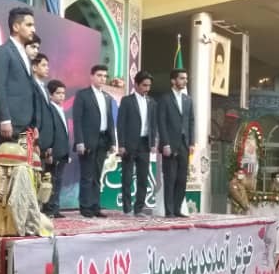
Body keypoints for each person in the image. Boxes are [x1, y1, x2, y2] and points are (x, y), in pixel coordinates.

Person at [72, 64, 117, 218]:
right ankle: (85, 207)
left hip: (103, 140)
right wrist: (80, 141)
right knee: (87, 175)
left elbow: (110, 121)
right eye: (99, 75)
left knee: (97, 175)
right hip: (87, 141)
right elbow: (77, 120)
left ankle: (95, 206)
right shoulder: (83, 95)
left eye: (105, 76)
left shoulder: (107, 97)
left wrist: (113, 142)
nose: (102, 79)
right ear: (91, 76)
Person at [0, 7, 39, 140]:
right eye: (29, 25)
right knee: (9, 154)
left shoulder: (25, 54)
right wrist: (5, 119)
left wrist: (34, 124)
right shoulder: (3, 51)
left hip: (26, 127)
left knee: (25, 154)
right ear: (16, 27)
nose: (33, 29)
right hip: (10, 125)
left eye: (33, 25)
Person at [116, 70, 157, 216]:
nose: (147, 88)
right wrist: (121, 145)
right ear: (136, 85)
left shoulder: (152, 102)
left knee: (143, 177)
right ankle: (127, 208)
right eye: (144, 85)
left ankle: (139, 208)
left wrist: (153, 142)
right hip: (129, 144)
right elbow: (121, 124)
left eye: (149, 86)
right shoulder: (127, 101)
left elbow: (153, 124)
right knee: (127, 177)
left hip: (145, 144)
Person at [157, 68, 195, 218]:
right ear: (173, 81)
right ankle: (169, 211)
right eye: (182, 78)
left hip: (184, 144)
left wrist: (192, 142)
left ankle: (178, 209)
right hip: (170, 145)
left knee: (182, 179)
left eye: (186, 78)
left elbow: (191, 121)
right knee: (170, 178)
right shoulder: (165, 98)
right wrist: (165, 143)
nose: (185, 81)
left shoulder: (188, 100)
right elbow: (161, 122)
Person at [43, 79, 70, 218]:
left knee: (58, 180)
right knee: (50, 180)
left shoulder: (61, 109)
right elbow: (49, 131)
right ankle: (48, 208)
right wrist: (49, 150)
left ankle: (55, 207)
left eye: (63, 93)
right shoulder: (50, 109)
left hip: (63, 151)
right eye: (58, 93)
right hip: (54, 151)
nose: (62, 96)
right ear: (51, 95)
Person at [29, 48, 53, 158]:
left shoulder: (45, 89)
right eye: (44, 65)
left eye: (47, 65)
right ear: (34, 67)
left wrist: (49, 144)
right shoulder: (30, 86)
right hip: (34, 140)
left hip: (45, 143)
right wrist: (35, 142)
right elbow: (32, 115)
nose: (47, 68)